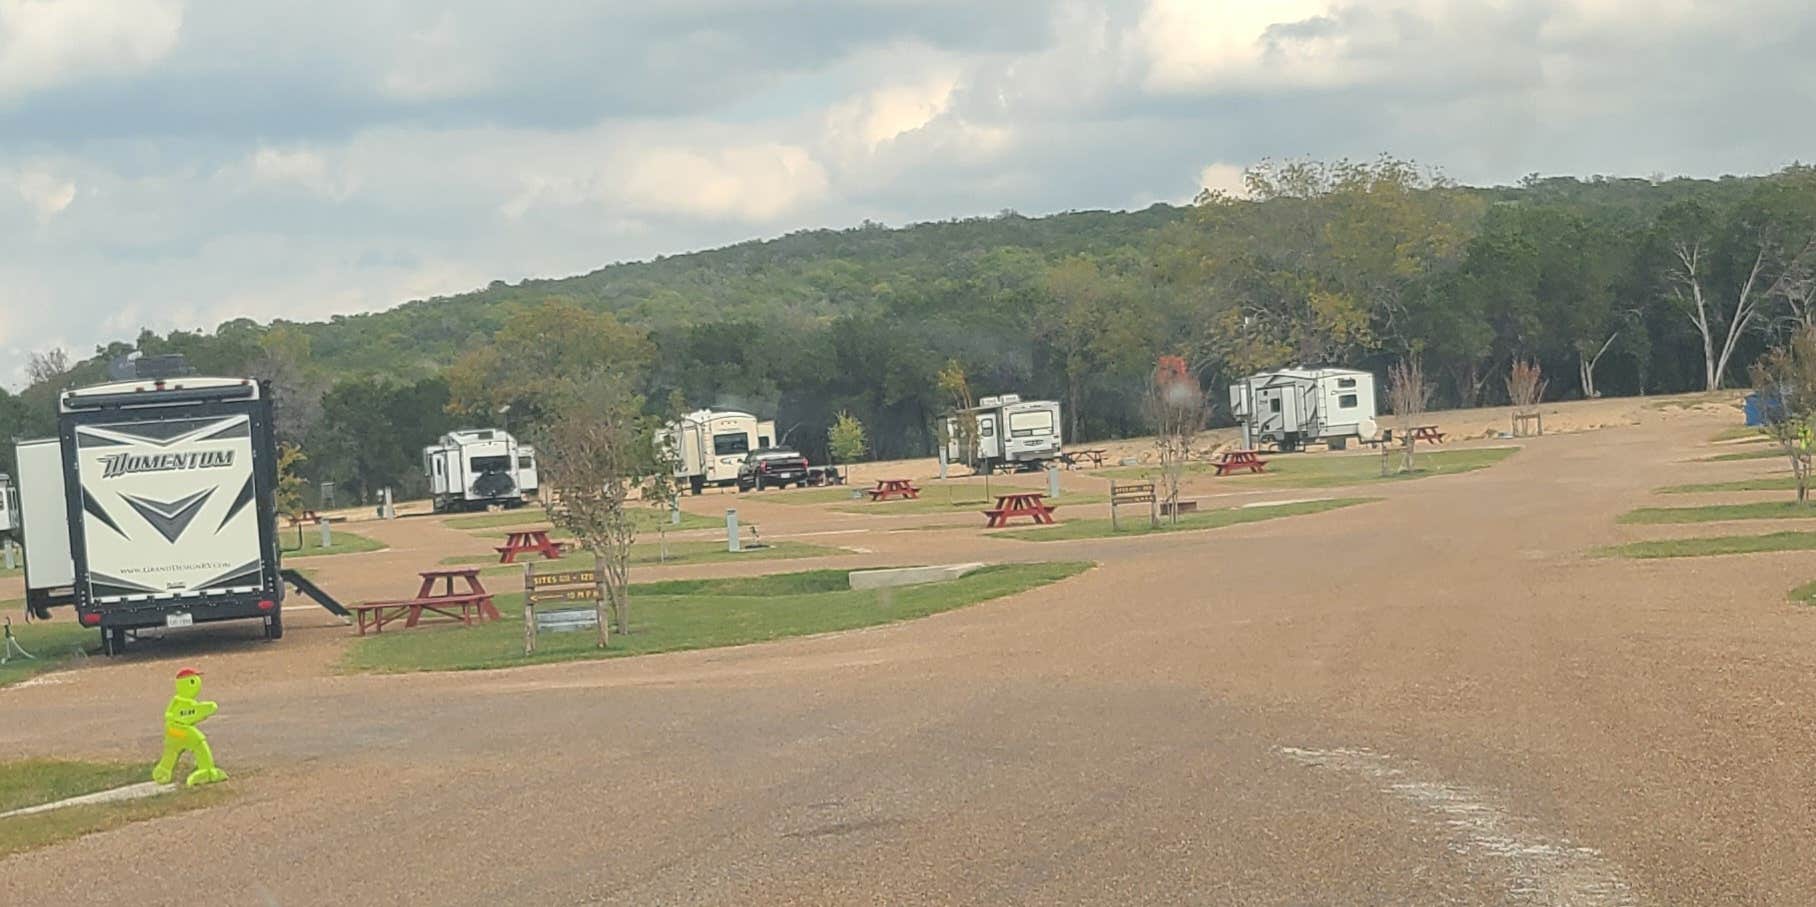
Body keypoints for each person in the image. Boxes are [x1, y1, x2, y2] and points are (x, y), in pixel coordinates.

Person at [151, 667, 229, 787]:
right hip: (180, 730)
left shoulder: (177, 701)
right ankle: (206, 769)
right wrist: (207, 708)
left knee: (171, 751)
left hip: (173, 730)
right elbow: (193, 712)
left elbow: (175, 713)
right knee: (199, 743)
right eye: (193, 681)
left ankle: (163, 770)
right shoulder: (182, 703)